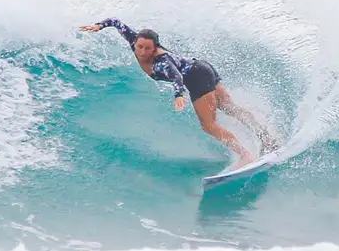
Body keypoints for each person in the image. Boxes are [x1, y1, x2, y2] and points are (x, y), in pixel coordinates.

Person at [79, 17, 279, 169]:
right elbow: (116, 22)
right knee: (229, 107)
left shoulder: (161, 60)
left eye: (147, 48)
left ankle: (245, 155)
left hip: (196, 77)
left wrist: (178, 95)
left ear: (155, 47)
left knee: (208, 125)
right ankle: (267, 137)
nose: (141, 51)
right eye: (139, 46)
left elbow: (176, 76)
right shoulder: (135, 41)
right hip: (202, 66)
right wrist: (99, 26)